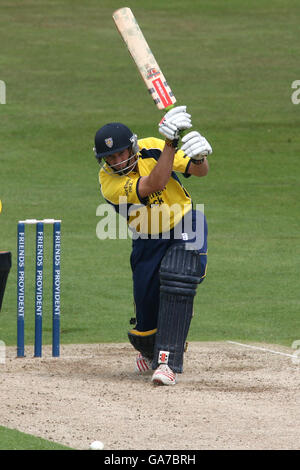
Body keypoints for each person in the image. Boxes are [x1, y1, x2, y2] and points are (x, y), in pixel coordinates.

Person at [94, 106, 212, 386]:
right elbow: (155, 182)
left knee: (178, 278)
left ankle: (168, 362)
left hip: (185, 222)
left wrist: (199, 156)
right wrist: (172, 143)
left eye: (121, 152)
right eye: (110, 157)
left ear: (132, 146)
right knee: (146, 328)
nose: (118, 160)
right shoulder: (109, 183)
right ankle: (153, 348)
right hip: (147, 239)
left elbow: (200, 171)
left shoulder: (153, 147)